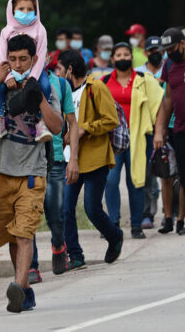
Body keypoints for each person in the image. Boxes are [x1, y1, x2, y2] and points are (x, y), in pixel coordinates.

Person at [0, 34, 63, 313]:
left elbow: (56, 126)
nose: (18, 64)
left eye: (23, 59)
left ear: (34, 59)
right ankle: (24, 289)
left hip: (33, 171)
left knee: (25, 232)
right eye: (12, 59)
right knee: (11, 234)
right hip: (2, 171)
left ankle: (17, 287)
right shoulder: (1, 86)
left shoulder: (45, 86)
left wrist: (37, 97)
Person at [55, 50, 123, 270]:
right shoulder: (64, 91)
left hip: (95, 158)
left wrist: (86, 129)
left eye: (60, 68)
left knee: (92, 209)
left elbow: (111, 120)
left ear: (70, 69)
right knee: (66, 208)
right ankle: (75, 254)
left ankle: (114, 236)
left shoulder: (96, 88)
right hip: (70, 158)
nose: (57, 73)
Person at [104, 42, 164, 239]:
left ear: (132, 57)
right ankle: (113, 224)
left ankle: (136, 225)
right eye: (118, 54)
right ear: (113, 59)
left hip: (139, 137)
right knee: (111, 181)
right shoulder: (103, 82)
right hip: (112, 139)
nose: (123, 58)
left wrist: (158, 133)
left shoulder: (144, 80)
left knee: (136, 180)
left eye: (126, 54)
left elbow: (158, 107)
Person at [28, 63, 79, 283]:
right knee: (27, 215)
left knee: (56, 213)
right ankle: (31, 266)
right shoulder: (15, 82)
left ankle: (59, 245)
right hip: (27, 161)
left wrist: (73, 159)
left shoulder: (60, 84)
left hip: (56, 158)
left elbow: (72, 123)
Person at [0, 0, 52, 143]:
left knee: (45, 85)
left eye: (30, 9)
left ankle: (40, 122)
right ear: (12, 11)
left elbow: (40, 55)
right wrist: (9, 77)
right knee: (0, 87)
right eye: (21, 9)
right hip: (10, 69)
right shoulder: (6, 31)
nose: (26, 12)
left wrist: (32, 79)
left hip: (35, 70)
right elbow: (1, 55)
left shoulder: (40, 30)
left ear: (36, 11)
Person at [154, 27, 185, 234]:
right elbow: (167, 99)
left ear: (183, 43)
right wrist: (160, 130)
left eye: (172, 48)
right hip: (181, 129)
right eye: (165, 50)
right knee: (184, 177)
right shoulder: (169, 65)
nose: (168, 53)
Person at [135, 36, 165, 229]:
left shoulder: (169, 68)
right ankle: (149, 212)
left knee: (171, 173)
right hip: (145, 128)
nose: (156, 55)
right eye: (152, 52)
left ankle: (171, 213)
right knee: (147, 173)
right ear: (145, 53)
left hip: (168, 125)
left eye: (159, 51)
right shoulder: (137, 73)